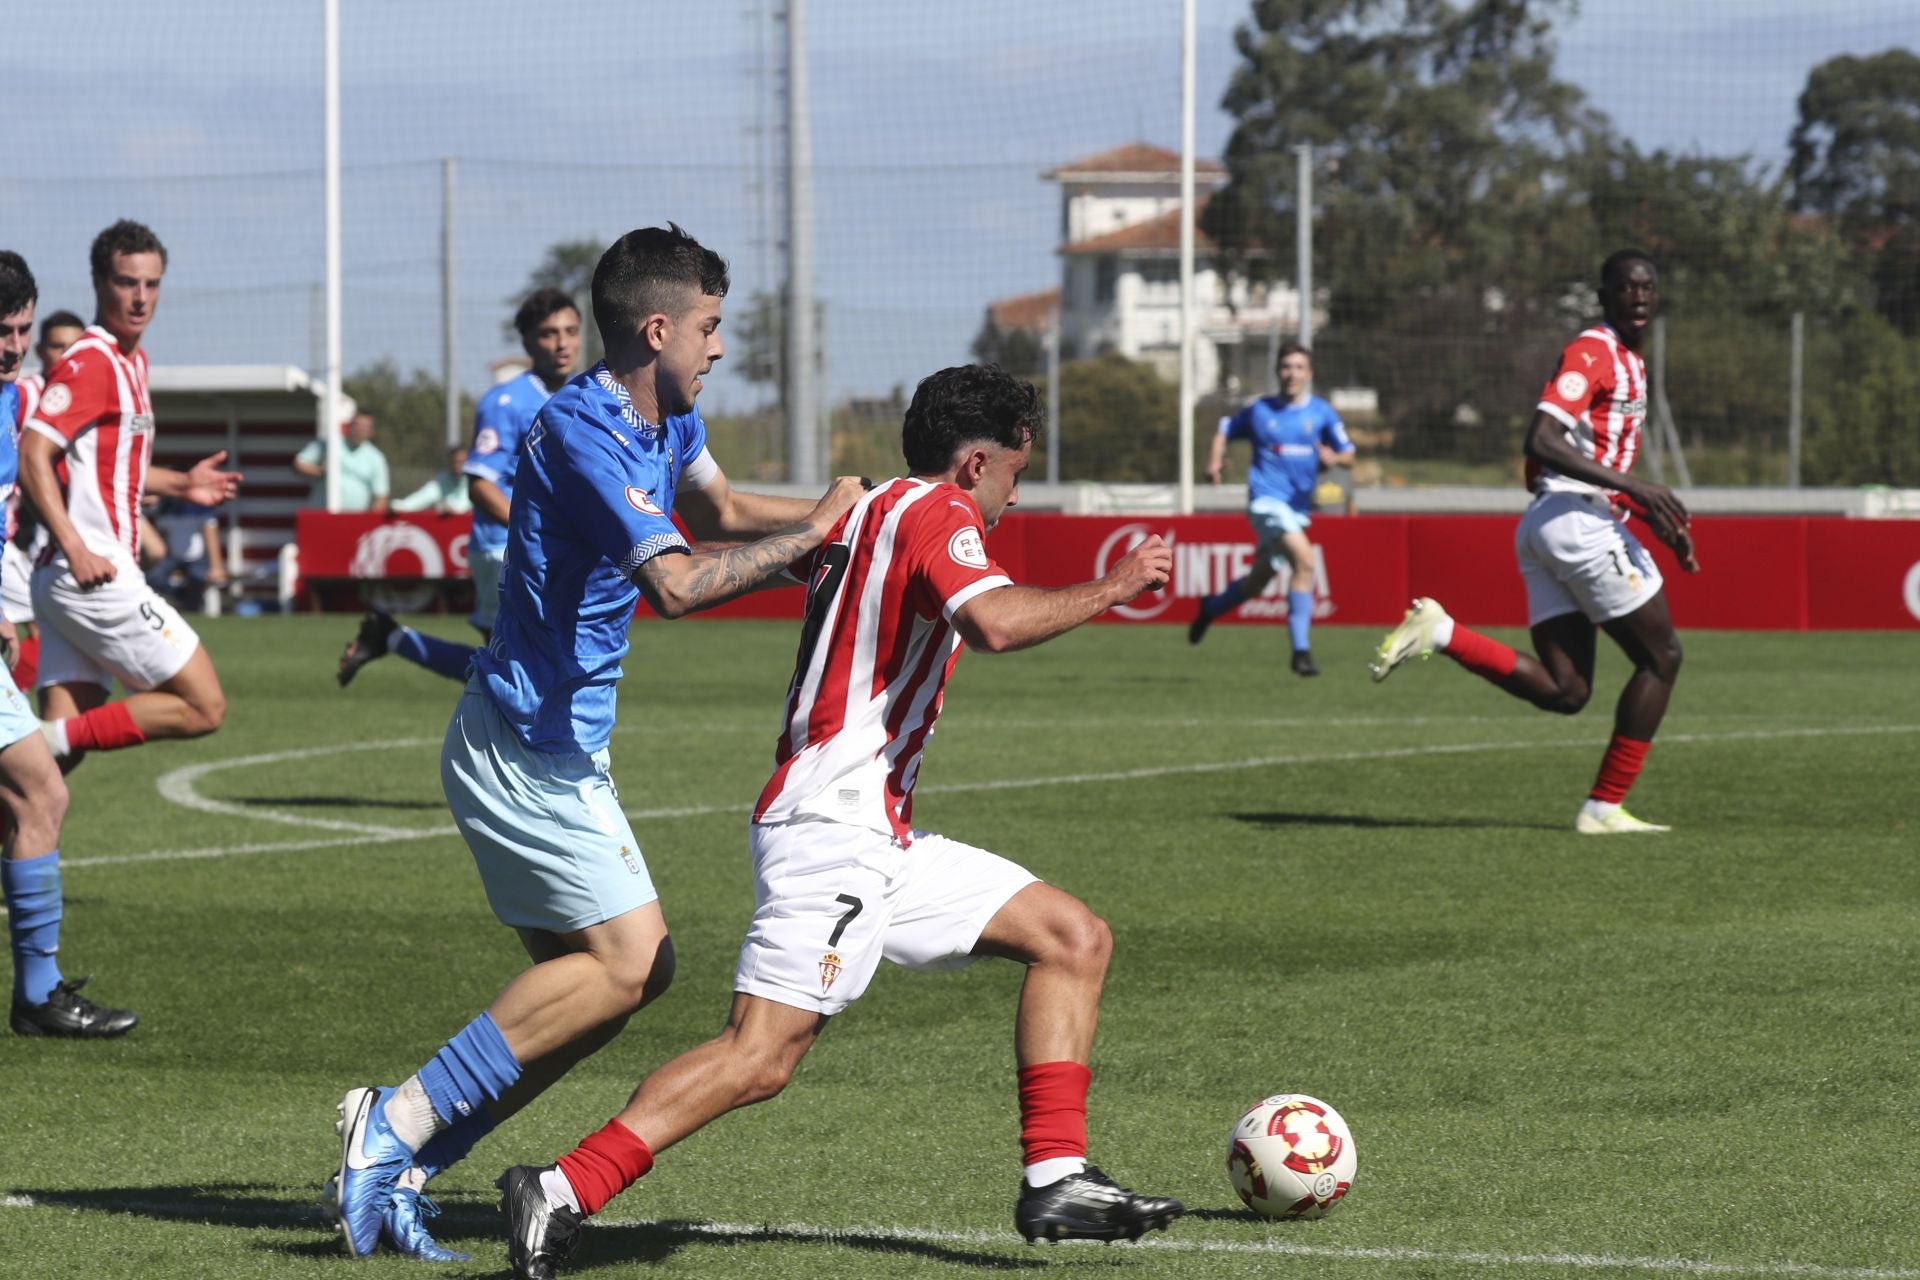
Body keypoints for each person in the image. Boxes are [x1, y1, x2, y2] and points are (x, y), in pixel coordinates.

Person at [493, 363, 1185, 1279]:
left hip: (876, 831)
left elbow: (750, 527)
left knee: (1071, 937)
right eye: (1015, 474)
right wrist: (1119, 583)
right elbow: (999, 625)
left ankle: (1056, 1177)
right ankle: (563, 1187)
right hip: (833, 828)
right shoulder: (939, 514)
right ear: (975, 461)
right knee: (761, 1055)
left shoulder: (867, 507)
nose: (1013, 496)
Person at [322, 224, 866, 1263]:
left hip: (557, 749)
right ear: (657, 328)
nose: (718, 348)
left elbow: (728, 507)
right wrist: (814, 536)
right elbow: (676, 582)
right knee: (628, 961)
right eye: (709, 327)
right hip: (523, 749)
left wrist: (849, 523)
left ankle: (409, 1159)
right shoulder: (584, 429)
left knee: (601, 994)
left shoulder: (666, 418)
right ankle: (389, 1120)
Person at [1369, 249, 1696, 835]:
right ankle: (1603, 808)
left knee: (1567, 691)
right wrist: (1635, 489)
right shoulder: (1593, 351)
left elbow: (1591, 456)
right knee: (1661, 657)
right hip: (1575, 521)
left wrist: (1646, 513)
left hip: (1554, 522)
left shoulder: (1630, 362)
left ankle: (1441, 632)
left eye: (1648, 287)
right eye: (1627, 287)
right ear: (1604, 296)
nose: (1640, 297)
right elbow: (1541, 438)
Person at [18, 219, 242, 769]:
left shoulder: (131, 361)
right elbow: (31, 454)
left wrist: (181, 483)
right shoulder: (91, 361)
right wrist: (75, 546)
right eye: (125, 282)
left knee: (45, 782)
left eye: (151, 284)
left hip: (74, 576)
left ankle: (37, 758)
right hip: (91, 574)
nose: (140, 298)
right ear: (99, 283)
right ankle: (36, 742)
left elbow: (111, 472)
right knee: (204, 705)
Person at [0, 250, 136, 1037]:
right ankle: (37, 998)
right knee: (41, 793)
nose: (15, 344)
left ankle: (38, 993)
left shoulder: (16, 398)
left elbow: (81, 463)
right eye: (3, 330)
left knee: (33, 794)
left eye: (23, 329)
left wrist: (175, 485)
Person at [336, 288, 579, 686]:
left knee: (520, 672)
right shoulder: (507, 402)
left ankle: (391, 636)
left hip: (545, 549)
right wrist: (540, 531)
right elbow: (480, 486)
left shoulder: (579, 396)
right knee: (524, 673)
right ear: (528, 341)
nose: (562, 342)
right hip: (506, 547)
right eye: (549, 333)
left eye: (570, 330)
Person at [1189, 341, 1354, 675]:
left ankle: (1211, 608)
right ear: (1277, 371)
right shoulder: (1260, 411)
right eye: (1285, 367)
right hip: (1265, 503)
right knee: (1305, 562)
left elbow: (1349, 454)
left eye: (1298, 367)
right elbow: (1223, 431)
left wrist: (1334, 458)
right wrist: (1214, 461)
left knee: (1256, 584)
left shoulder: (1321, 413)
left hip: (1296, 510)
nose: (1291, 374)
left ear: (1309, 373)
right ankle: (1301, 652)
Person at [4, 310, 84, 692]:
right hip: (21, 539)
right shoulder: (25, 393)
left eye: (74, 348)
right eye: (57, 347)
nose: (66, 356)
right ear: (41, 349)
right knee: (42, 628)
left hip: (53, 538)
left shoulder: (91, 397)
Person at [295, 409, 389, 513]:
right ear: (349, 425)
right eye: (357, 424)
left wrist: (370, 523)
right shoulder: (329, 444)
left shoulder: (376, 458)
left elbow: (381, 497)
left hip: (353, 521)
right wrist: (320, 471)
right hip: (321, 516)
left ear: (371, 432)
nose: (360, 429)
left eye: (365, 427)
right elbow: (299, 464)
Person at [389, 444, 472, 514]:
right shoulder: (443, 480)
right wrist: (404, 506)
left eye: (461, 462)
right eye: (455, 462)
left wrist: (454, 509)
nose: (457, 466)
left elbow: (465, 505)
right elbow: (425, 496)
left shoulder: (475, 481)